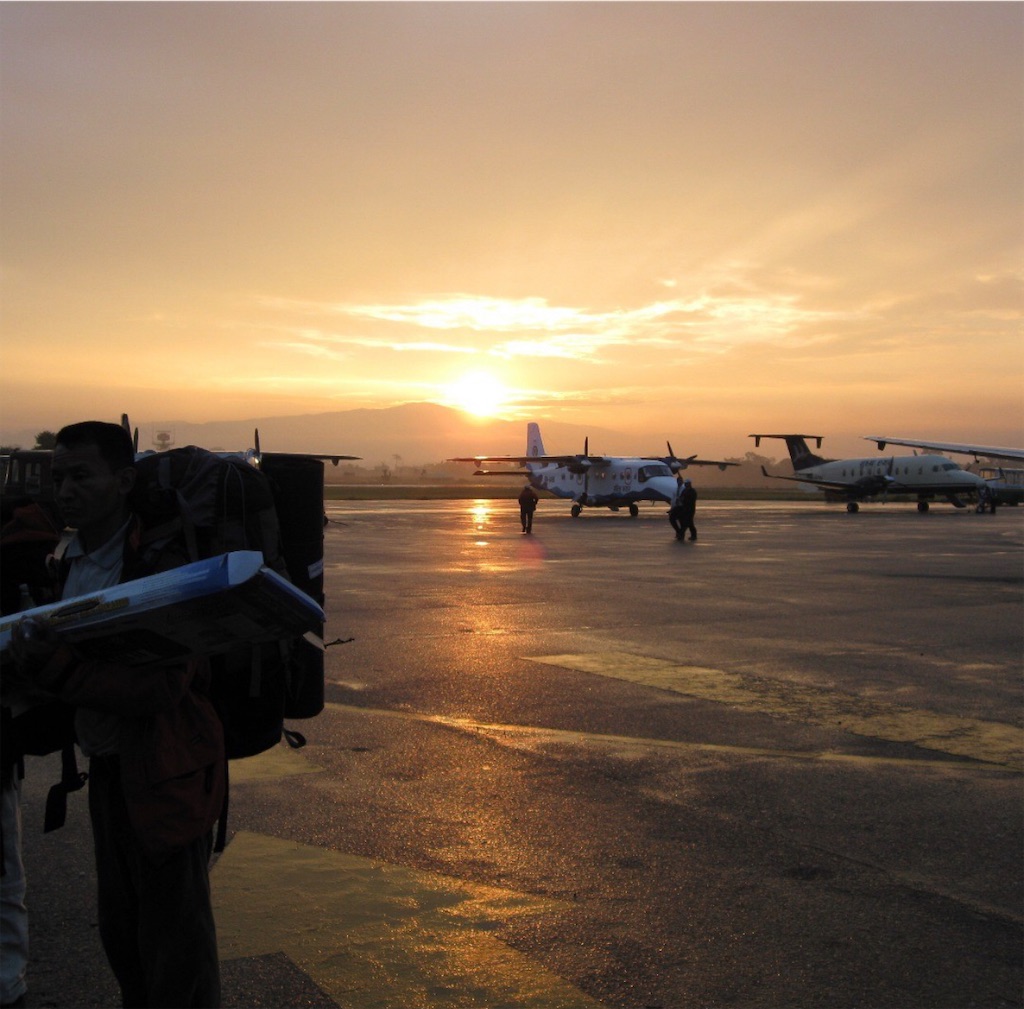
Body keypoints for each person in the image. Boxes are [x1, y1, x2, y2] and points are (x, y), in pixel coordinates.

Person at [8, 421, 225, 1009]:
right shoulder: (71, 559)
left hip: (168, 772)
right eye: (59, 477)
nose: (65, 490)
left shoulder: (159, 563)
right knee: (124, 939)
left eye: (81, 475)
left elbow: (162, 686)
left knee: (176, 954)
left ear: (124, 481)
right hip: (109, 771)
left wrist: (58, 671)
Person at [668, 474, 686, 540]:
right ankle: (678, 532)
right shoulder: (675, 489)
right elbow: (673, 499)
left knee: (681, 521)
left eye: (680, 481)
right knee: (672, 519)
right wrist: (672, 507)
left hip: (682, 507)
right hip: (676, 507)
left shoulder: (684, 489)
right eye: (678, 481)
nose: (679, 482)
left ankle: (681, 534)